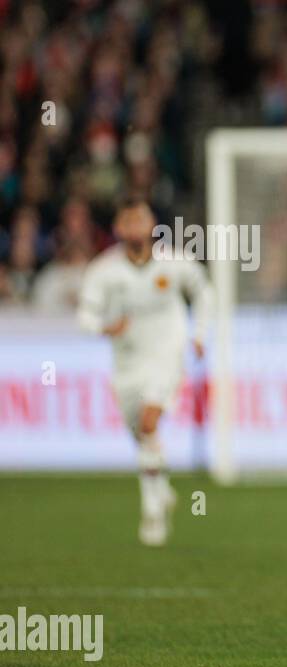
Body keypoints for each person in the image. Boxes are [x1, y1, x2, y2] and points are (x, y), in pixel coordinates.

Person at [77, 196, 210, 545]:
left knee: (150, 422)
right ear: (118, 228)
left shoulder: (175, 262)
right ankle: (160, 485)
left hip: (167, 354)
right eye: (128, 221)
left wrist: (198, 334)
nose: (135, 228)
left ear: (152, 226)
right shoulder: (104, 271)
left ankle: (152, 513)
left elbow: (203, 291)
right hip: (127, 364)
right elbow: (85, 316)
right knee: (141, 434)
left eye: (141, 221)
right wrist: (105, 328)